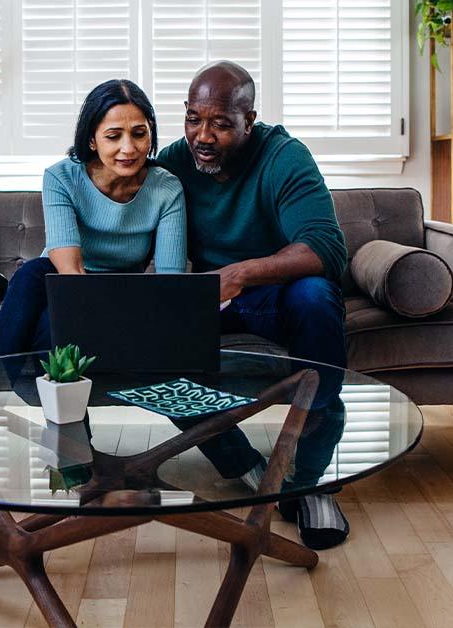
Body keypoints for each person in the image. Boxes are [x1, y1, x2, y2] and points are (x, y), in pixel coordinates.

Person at [155, 61, 351, 549]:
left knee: (316, 295)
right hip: (203, 300)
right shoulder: (173, 161)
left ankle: (308, 483)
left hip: (269, 294)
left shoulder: (284, 156)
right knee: (152, 345)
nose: (203, 135)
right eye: (193, 119)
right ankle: (247, 468)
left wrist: (240, 273)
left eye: (220, 123)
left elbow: (326, 249)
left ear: (250, 119)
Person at [0, 79, 186, 359]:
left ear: (151, 133)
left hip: (124, 289)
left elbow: (170, 285)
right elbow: (71, 274)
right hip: (66, 283)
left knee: (45, 333)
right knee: (30, 275)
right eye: (113, 136)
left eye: (139, 134)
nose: (128, 149)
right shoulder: (61, 178)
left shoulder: (167, 189)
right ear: (92, 139)